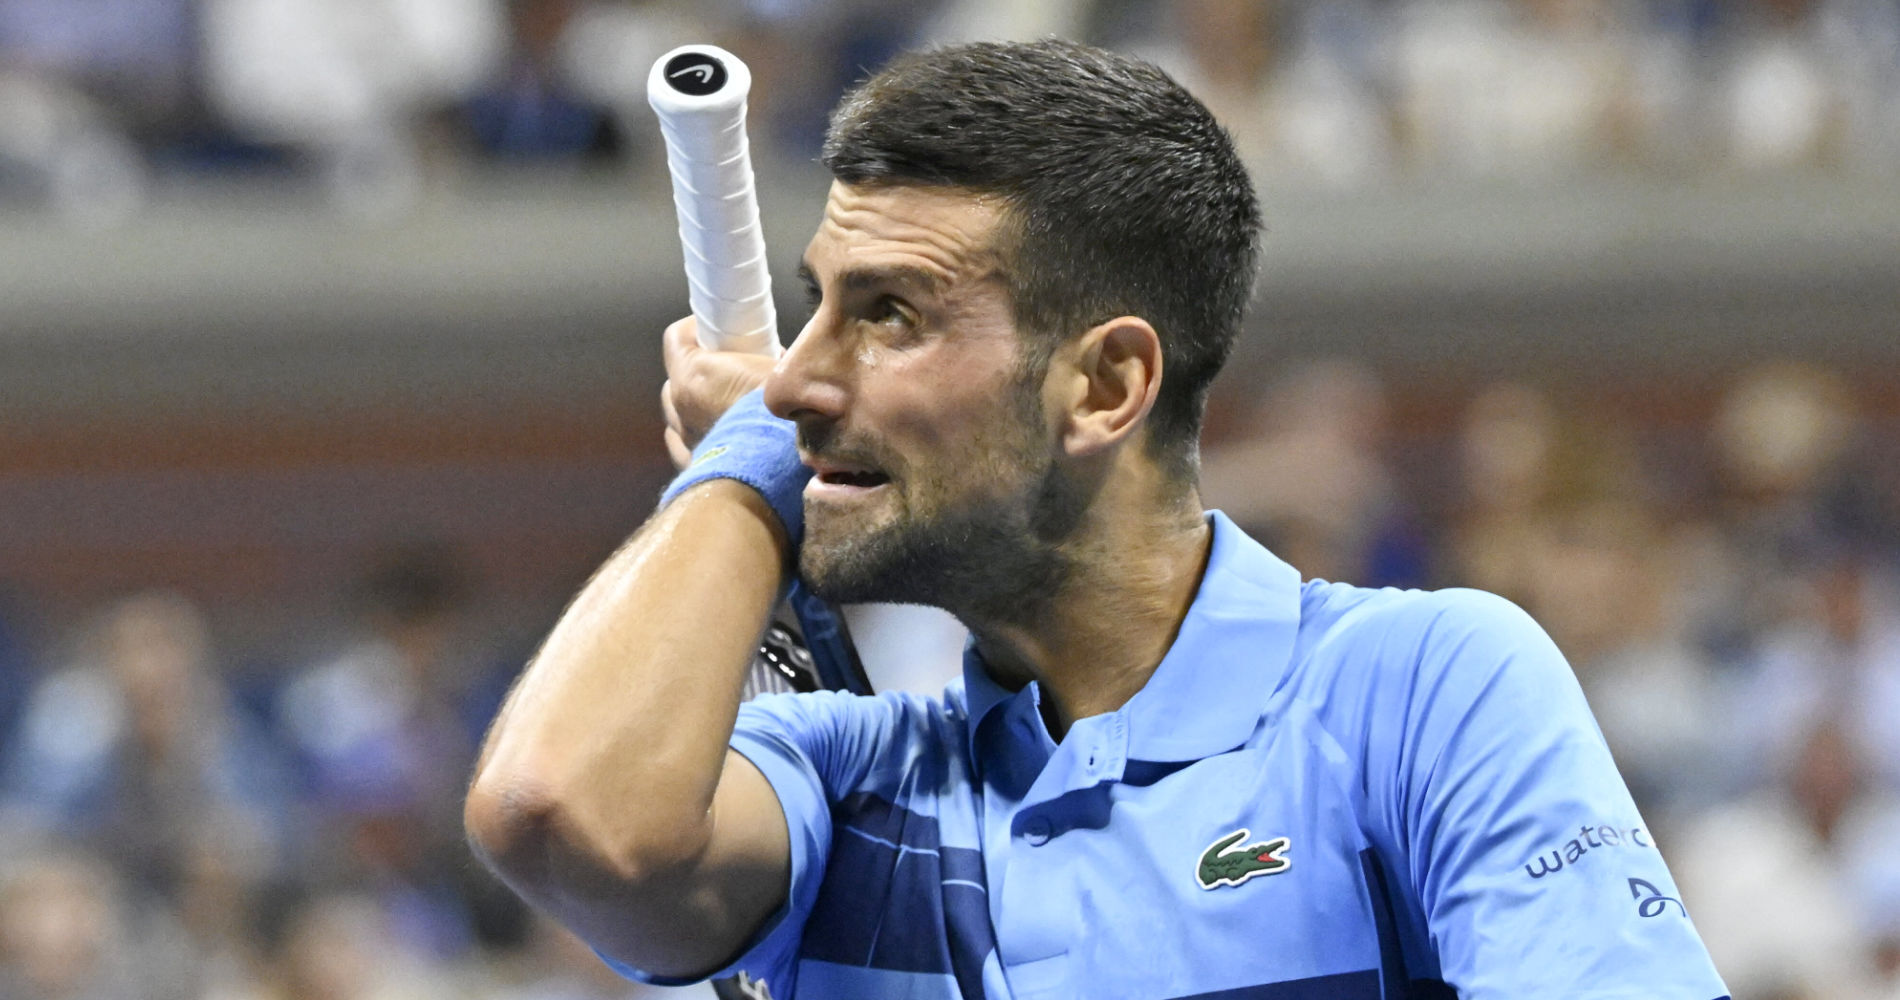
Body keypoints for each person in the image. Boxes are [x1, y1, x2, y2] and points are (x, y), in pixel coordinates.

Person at [465, 39, 1729, 999]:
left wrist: (759, 436)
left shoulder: (1412, 688)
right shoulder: (843, 776)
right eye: (814, 308)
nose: (797, 375)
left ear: (1106, 385)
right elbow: (559, 816)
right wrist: (746, 463)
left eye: (888, 312)